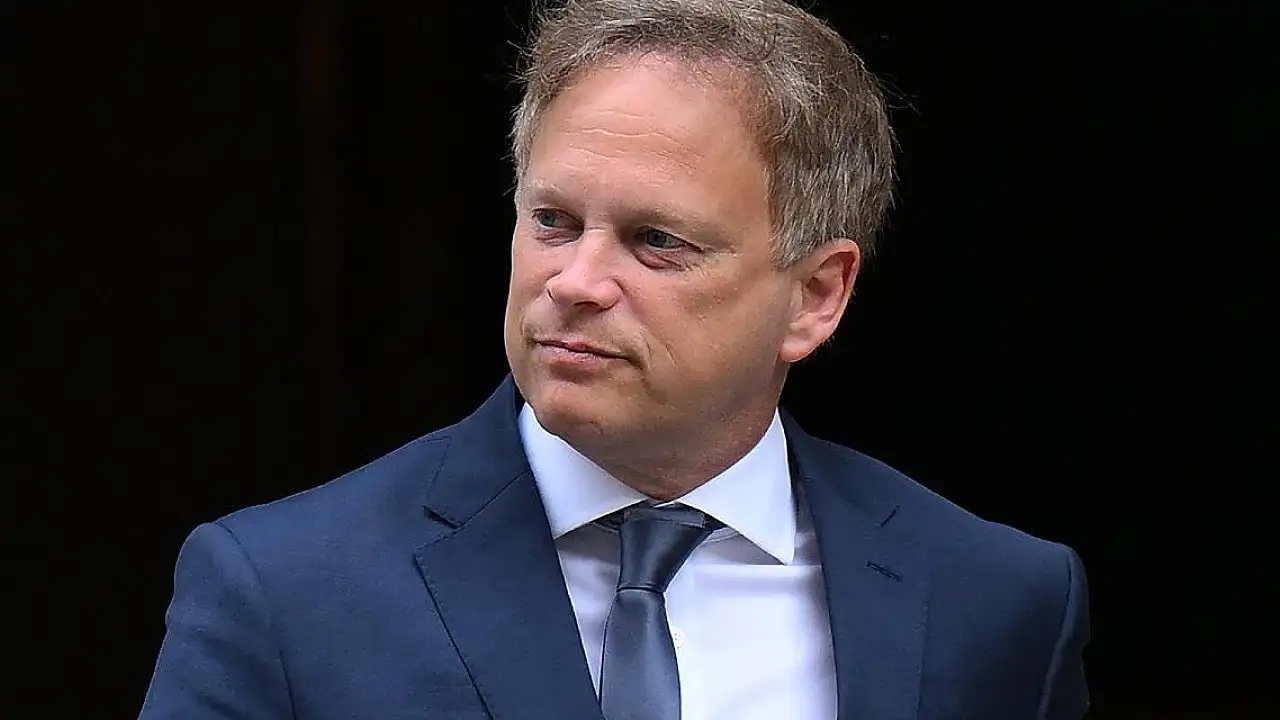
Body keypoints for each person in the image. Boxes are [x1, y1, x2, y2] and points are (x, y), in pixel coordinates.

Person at [139, 0, 1089, 718]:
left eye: (656, 240)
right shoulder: (286, 588)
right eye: (553, 221)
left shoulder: (994, 602)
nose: (577, 281)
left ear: (815, 296)